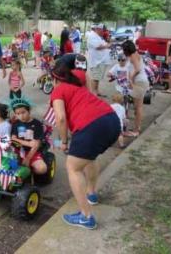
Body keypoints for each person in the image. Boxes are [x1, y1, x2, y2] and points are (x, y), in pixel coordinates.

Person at [50, 62, 120, 230]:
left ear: (55, 80)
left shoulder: (58, 89)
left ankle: (86, 216)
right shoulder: (79, 87)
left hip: (91, 125)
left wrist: (64, 141)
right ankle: (92, 194)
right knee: (89, 157)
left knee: (73, 167)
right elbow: (85, 76)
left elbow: (60, 118)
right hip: (112, 120)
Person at [10, 98, 47, 174]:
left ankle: (29, 172)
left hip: (32, 152)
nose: (21, 116)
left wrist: (28, 158)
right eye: (18, 114)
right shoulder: (16, 123)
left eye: (23, 112)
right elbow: (13, 138)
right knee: (10, 165)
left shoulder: (37, 124)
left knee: (42, 169)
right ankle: (17, 175)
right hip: (17, 151)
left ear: (29, 111)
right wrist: (25, 142)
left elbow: (36, 144)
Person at [121, 40, 149, 136]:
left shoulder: (133, 56)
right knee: (138, 107)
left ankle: (136, 131)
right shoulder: (135, 54)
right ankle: (137, 127)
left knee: (138, 107)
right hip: (141, 82)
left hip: (139, 82)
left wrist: (131, 79)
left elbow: (137, 69)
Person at [87, 24, 111, 97]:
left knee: (98, 77)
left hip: (100, 60)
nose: (103, 32)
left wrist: (107, 44)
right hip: (96, 61)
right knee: (95, 77)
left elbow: (101, 44)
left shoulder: (96, 36)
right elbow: (98, 47)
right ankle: (93, 93)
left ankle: (96, 91)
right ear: (98, 29)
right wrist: (107, 45)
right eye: (102, 30)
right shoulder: (92, 36)